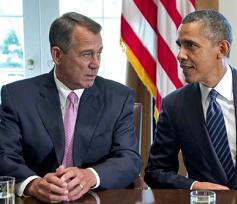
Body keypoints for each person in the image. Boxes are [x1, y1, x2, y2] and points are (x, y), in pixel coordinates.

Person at [0, 12, 142, 202]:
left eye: (99, 53)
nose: (96, 63)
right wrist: (33, 184)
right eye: (86, 55)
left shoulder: (118, 97)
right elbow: (5, 155)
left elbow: (129, 159)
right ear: (57, 55)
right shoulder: (17, 96)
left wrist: (91, 176)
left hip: (97, 198)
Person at [144, 9, 237, 191]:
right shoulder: (174, 104)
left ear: (221, 49)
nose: (180, 55)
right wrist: (193, 186)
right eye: (179, 45)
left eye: (190, 45)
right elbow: (156, 171)